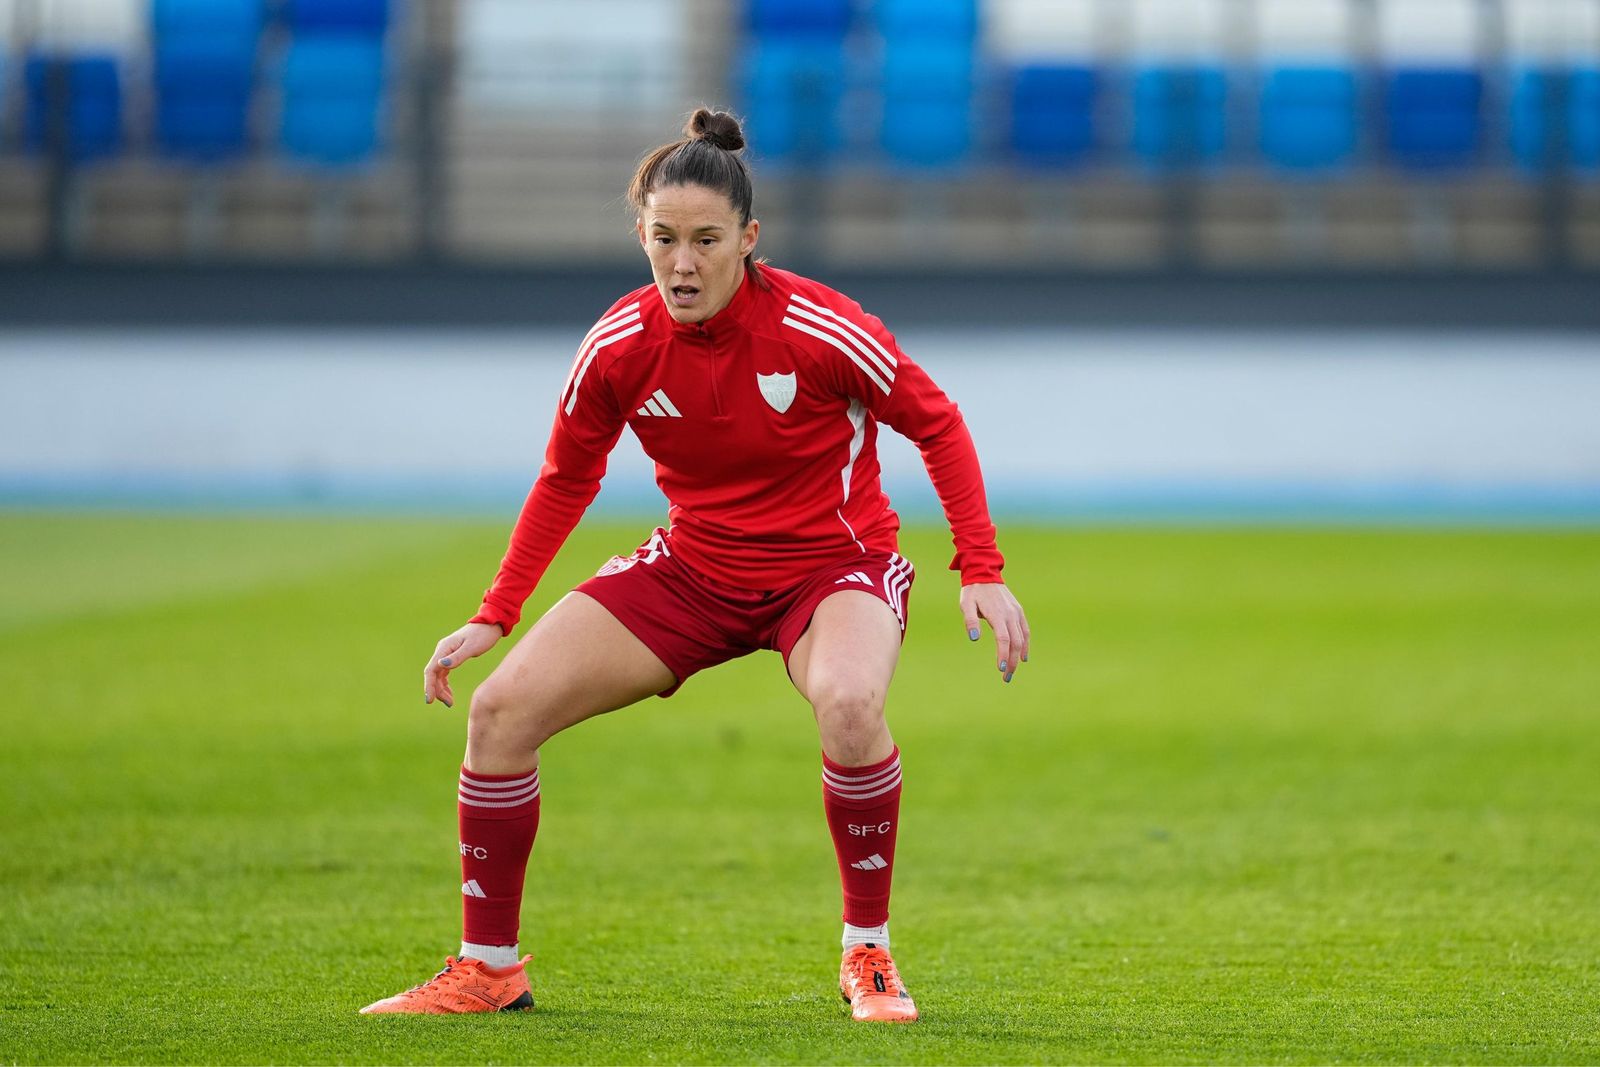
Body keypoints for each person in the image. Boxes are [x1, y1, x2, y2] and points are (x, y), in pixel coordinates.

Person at [360, 108, 1029, 1023]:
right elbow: (567, 476)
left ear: (748, 239)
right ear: (641, 236)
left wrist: (979, 565)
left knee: (849, 703)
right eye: (663, 238)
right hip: (693, 571)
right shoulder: (618, 345)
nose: (682, 263)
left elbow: (937, 422)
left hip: (833, 569)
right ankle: (488, 969)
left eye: (706, 240)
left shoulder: (822, 327)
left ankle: (867, 951)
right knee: (499, 712)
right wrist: (495, 610)